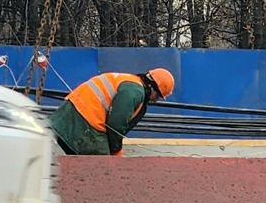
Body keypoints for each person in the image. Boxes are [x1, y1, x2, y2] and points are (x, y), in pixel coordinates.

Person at [48, 67, 176, 157]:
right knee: (104, 169)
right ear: (152, 87)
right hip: (86, 124)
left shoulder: (128, 81)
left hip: (67, 115)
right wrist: (116, 151)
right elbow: (116, 124)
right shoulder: (135, 91)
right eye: (158, 96)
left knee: (85, 170)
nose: (155, 100)